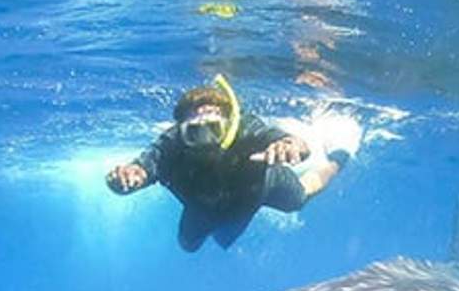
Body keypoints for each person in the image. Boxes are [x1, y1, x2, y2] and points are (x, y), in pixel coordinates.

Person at [105, 75, 354, 251]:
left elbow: (285, 141)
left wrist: (290, 146)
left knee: (299, 198)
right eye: (195, 133)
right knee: (188, 245)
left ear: (229, 125)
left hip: (259, 188)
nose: (206, 142)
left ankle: (338, 158)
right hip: (203, 208)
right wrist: (124, 178)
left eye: (213, 130)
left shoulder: (246, 127)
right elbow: (143, 167)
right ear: (180, 130)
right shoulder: (171, 143)